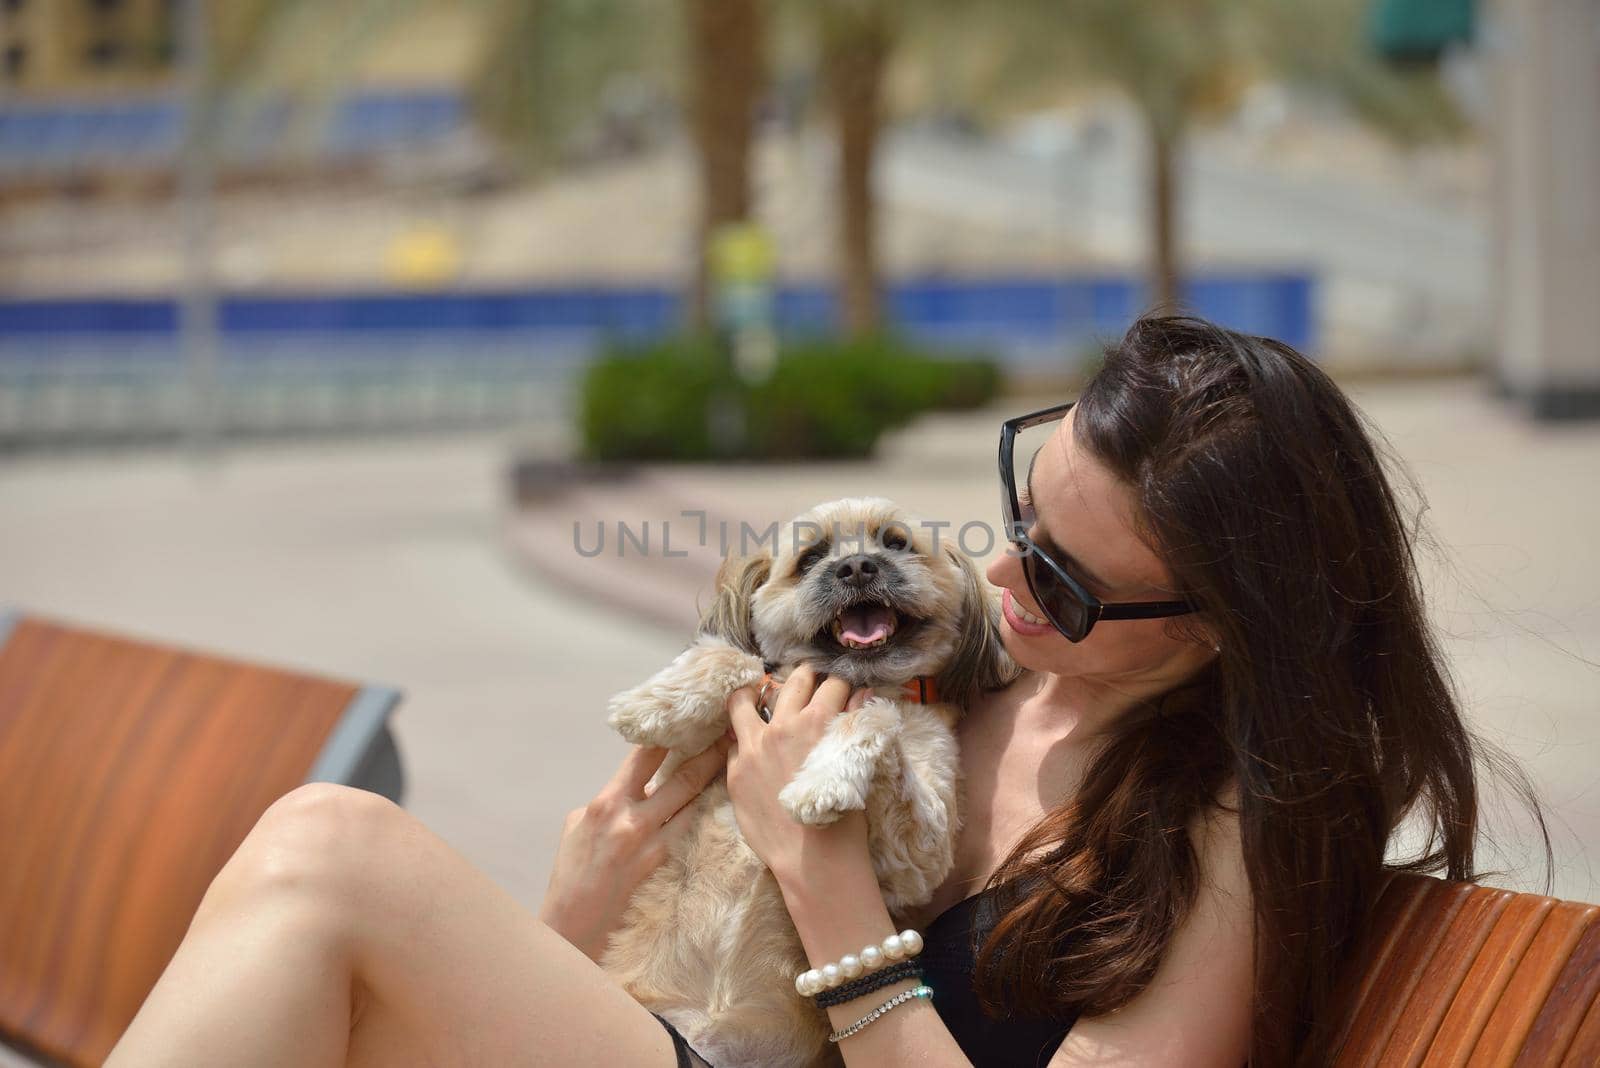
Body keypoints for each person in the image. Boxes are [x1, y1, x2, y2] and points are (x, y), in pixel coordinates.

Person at [105, 314, 1514, 1067]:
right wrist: (576, 910)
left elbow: (820, 909)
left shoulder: (1224, 842)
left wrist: (832, 893)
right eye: (1017, 516)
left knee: (332, 850)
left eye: (1069, 587)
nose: (1007, 583)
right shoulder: (968, 680)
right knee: (320, 887)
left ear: (1217, 633)